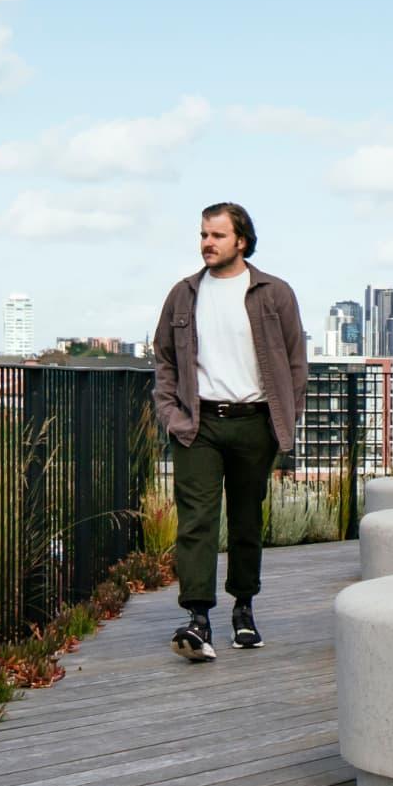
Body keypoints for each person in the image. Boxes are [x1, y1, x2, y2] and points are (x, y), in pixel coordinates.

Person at [150, 201, 308, 663]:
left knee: (245, 521)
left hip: (255, 423)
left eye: (217, 235)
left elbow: (296, 364)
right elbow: (163, 360)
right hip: (198, 424)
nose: (207, 243)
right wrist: (171, 415)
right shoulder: (183, 295)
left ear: (241, 240)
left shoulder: (274, 294)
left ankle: (244, 608)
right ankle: (198, 619)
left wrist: (286, 418)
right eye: (203, 235)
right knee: (196, 520)